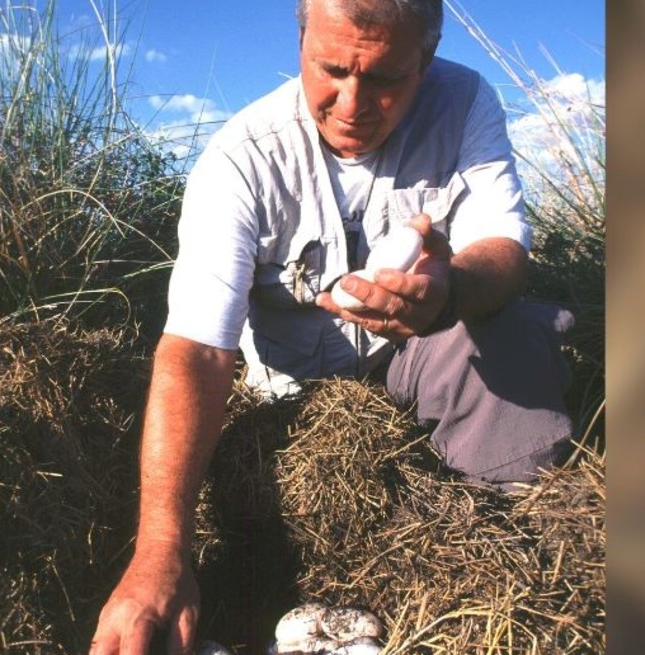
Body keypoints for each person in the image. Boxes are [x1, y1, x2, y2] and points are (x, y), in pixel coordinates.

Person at [90, 0, 574, 652]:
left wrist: (450, 292)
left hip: (417, 351)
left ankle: (509, 568)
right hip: (287, 396)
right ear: (300, 43)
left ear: (426, 61)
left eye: (384, 79)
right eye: (332, 69)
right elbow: (198, 351)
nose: (352, 102)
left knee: (508, 336)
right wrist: (159, 550)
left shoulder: (465, 103)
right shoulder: (240, 159)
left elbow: (505, 249)